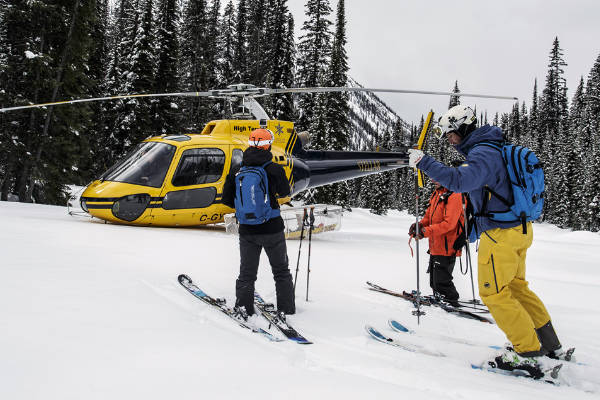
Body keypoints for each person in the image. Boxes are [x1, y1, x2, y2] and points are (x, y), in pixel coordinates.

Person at [408, 105, 569, 367]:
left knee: (493, 292)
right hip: (518, 229)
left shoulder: (483, 153)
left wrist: (423, 162)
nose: (449, 140)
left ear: (462, 128)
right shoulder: (491, 147)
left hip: (500, 233)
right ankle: (548, 344)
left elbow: (458, 182)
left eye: (450, 134)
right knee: (516, 288)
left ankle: (527, 353)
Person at [222, 128, 295, 318]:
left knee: (247, 272)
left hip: (247, 230)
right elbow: (285, 192)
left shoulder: (237, 169)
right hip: (272, 228)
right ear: (268, 145)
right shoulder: (274, 169)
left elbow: (227, 200)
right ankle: (287, 308)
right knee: (281, 271)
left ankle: (244, 306)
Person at [409, 179, 464, 307]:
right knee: (434, 281)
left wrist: (425, 231)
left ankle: (451, 301)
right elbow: (429, 217)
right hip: (435, 244)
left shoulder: (455, 195)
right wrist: (420, 225)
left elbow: (449, 224)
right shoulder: (437, 194)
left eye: (437, 178)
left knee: (442, 281)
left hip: (448, 245)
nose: (434, 181)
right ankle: (440, 298)